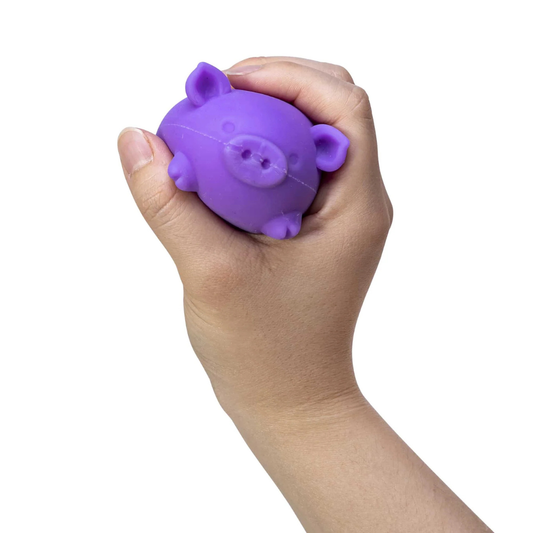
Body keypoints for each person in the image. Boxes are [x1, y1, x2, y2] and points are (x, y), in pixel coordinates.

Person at [117, 56, 492, 533]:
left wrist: (298, 403)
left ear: (323, 150)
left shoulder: (289, 201)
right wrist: (300, 406)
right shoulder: (213, 142)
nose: (256, 155)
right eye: (229, 127)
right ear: (206, 88)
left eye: (293, 160)